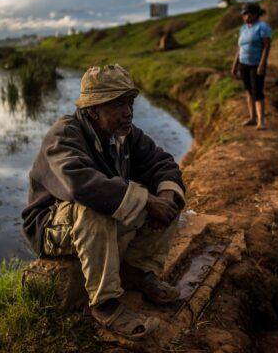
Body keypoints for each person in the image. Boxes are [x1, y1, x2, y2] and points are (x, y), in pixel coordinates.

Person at [22, 64, 186, 341]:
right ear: (93, 109)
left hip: (89, 216)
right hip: (52, 226)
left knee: (167, 196)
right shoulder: (64, 135)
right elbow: (80, 184)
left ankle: (136, 270)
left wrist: (165, 198)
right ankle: (105, 303)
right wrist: (146, 201)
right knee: (97, 206)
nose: (128, 112)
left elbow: (162, 163)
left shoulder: (126, 134)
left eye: (130, 102)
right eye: (118, 104)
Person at [230, 2, 272, 130]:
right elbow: (240, 48)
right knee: (248, 91)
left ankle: (261, 121)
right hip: (244, 63)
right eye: (244, 14)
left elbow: (266, 46)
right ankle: (252, 118)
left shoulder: (262, 27)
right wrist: (235, 64)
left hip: (256, 64)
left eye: (247, 14)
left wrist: (262, 64)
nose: (245, 17)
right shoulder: (243, 29)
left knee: (257, 92)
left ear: (255, 14)